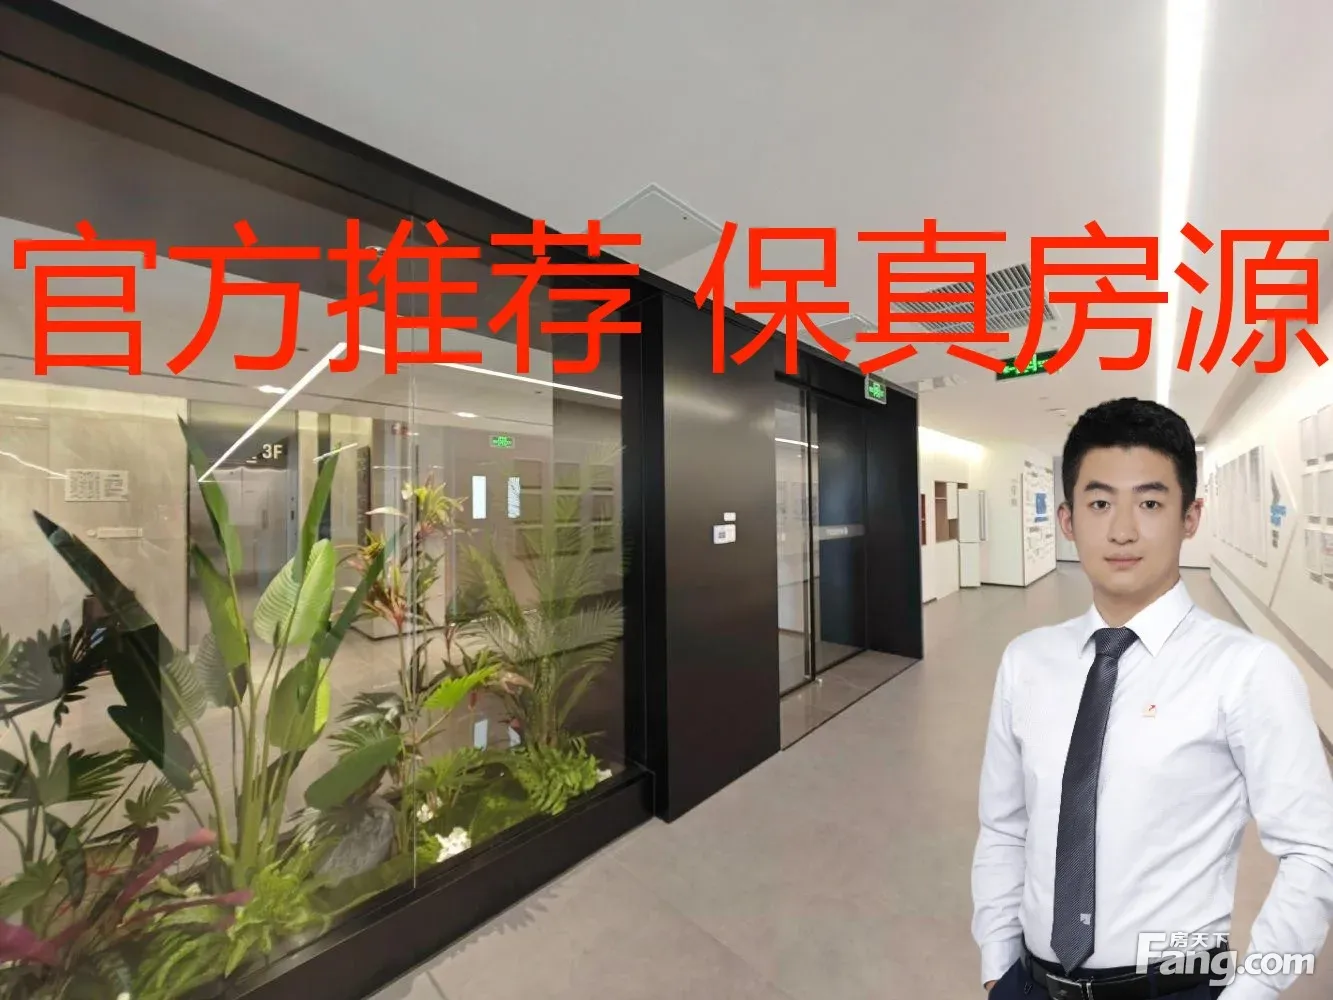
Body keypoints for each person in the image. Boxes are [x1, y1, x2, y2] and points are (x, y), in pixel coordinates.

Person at [971, 397, 1333, 999]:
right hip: (1028, 985)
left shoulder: (1246, 670)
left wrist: (1253, 990)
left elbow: (1316, 851)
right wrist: (996, 966)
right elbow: (1004, 827)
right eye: (1099, 503)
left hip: (1175, 988)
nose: (1122, 530)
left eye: (1149, 503)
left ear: (1190, 517)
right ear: (1067, 520)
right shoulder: (1026, 662)